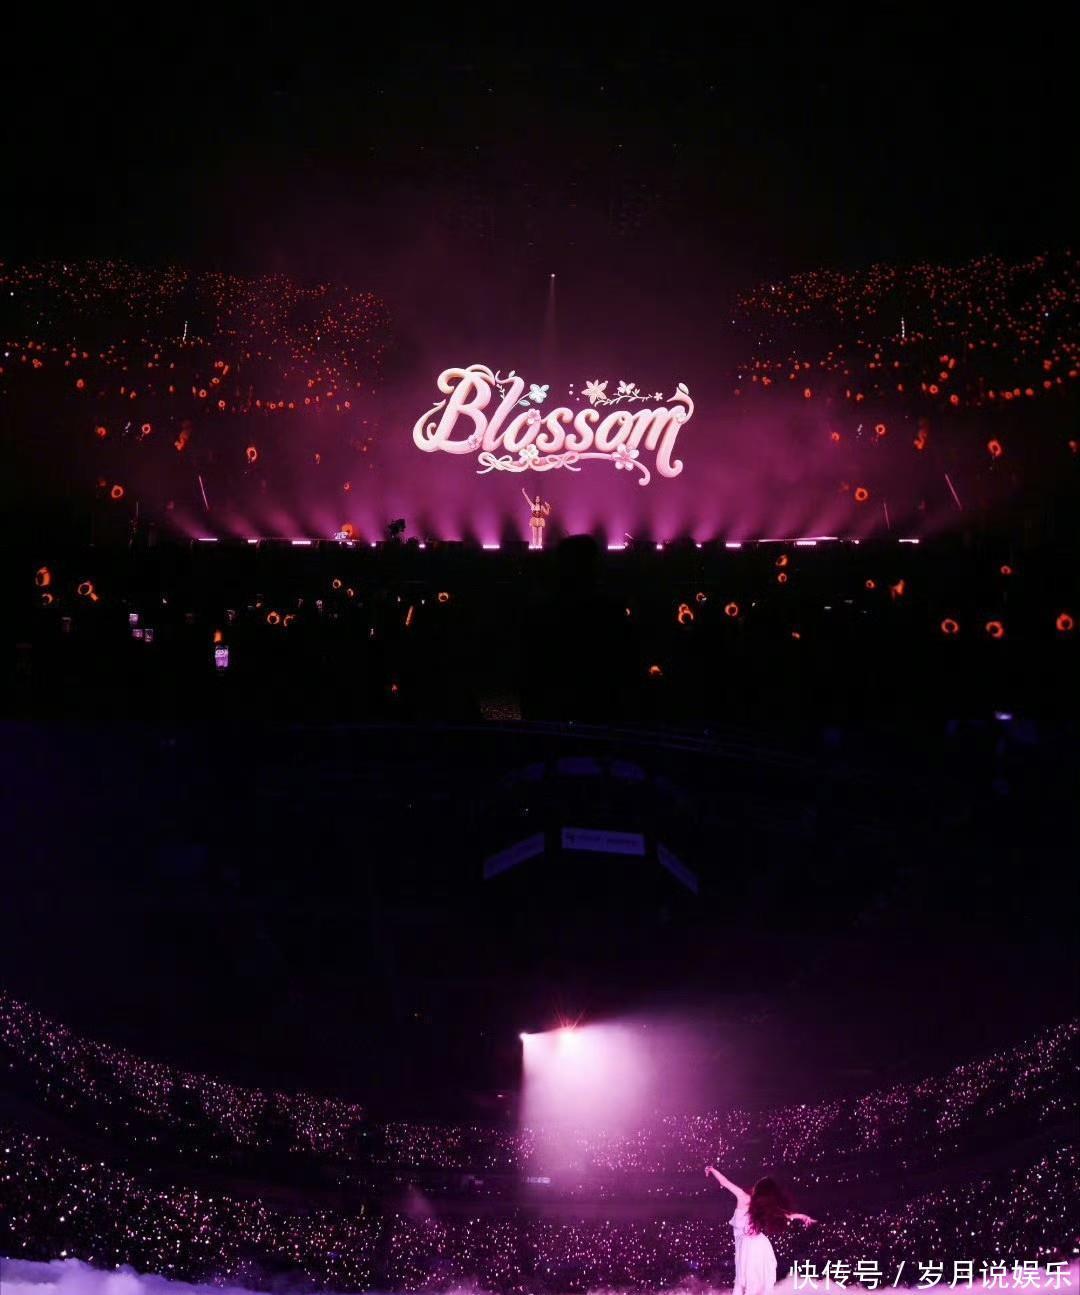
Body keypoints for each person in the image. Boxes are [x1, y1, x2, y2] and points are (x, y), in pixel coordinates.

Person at [705, 1165, 816, 1295]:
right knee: (754, 1282)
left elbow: (725, 1183)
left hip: (749, 1245)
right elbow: (785, 1215)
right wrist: (802, 1216)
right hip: (759, 1244)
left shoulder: (744, 1197)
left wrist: (712, 1170)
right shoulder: (761, 1205)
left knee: (747, 1281)